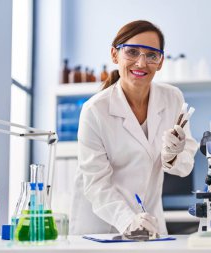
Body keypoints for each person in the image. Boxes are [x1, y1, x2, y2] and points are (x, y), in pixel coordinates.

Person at [70, 20, 197, 236]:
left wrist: (173, 156)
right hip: (101, 225)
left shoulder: (172, 98)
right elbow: (96, 183)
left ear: (160, 61)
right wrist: (128, 221)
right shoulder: (94, 110)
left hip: (149, 218)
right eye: (132, 52)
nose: (141, 63)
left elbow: (184, 167)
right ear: (114, 55)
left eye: (151, 55)